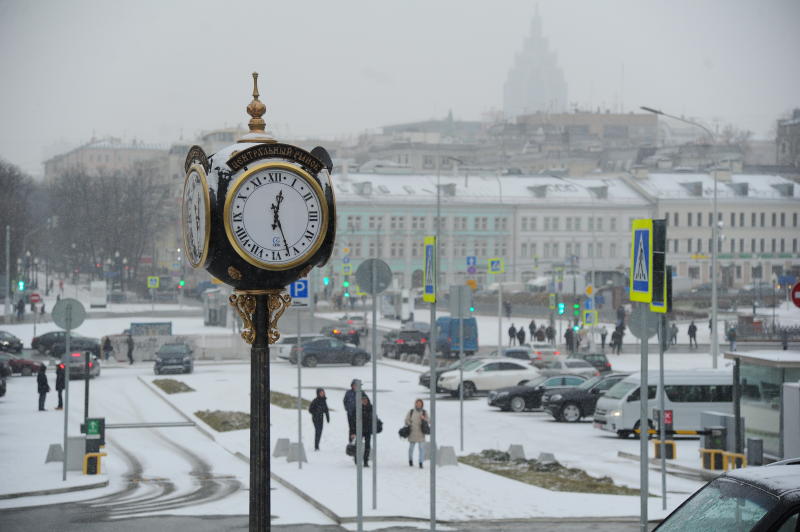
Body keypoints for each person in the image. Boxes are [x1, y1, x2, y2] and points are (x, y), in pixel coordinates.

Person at [349, 394, 374, 467]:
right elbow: (353, 421)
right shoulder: (357, 408)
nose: (364, 401)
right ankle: (357, 459)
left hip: (368, 430)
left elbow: (374, 418)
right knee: (358, 445)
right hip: (359, 430)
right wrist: (353, 432)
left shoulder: (370, 408)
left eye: (365, 400)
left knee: (367, 446)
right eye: (363, 400)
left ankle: (366, 461)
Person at [404, 399, 429, 469]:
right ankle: (410, 460)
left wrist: (424, 418)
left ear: (422, 404)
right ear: (415, 404)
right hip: (412, 432)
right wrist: (410, 423)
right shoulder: (411, 411)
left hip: (421, 433)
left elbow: (429, 420)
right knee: (411, 448)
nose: (418, 404)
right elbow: (406, 420)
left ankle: (421, 462)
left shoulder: (424, 412)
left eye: (420, 403)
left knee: (421, 448)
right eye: (417, 403)